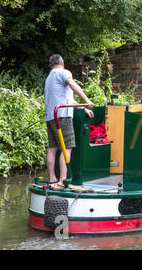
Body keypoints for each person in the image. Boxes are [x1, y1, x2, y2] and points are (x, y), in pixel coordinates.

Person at [44, 54, 94, 186]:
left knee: (52, 148)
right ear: (63, 63)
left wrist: (83, 109)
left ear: (51, 65)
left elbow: (66, 100)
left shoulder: (49, 77)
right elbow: (72, 84)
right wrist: (86, 100)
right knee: (67, 147)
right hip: (63, 116)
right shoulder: (64, 72)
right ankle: (62, 180)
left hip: (51, 116)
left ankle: (52, 178)